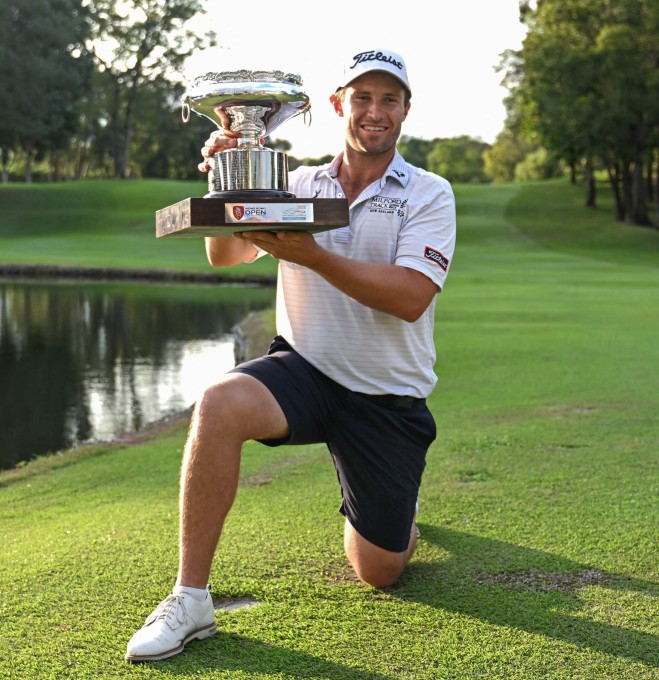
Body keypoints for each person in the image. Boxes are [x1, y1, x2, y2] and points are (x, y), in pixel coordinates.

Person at [125, 48, 456, 663]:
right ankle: (190, 598)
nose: (374, 112)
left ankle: (400, 521)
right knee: (219, 403)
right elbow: (225, 257)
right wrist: (229, 180)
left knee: (379, 570)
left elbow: (410, 299)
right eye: (362, 98)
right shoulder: (296, 183)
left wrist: (313, 256)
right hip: (305, 369)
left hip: (387, 396)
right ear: (337, 105)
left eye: (388, 99)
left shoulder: (429, 194)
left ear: (406, 110)